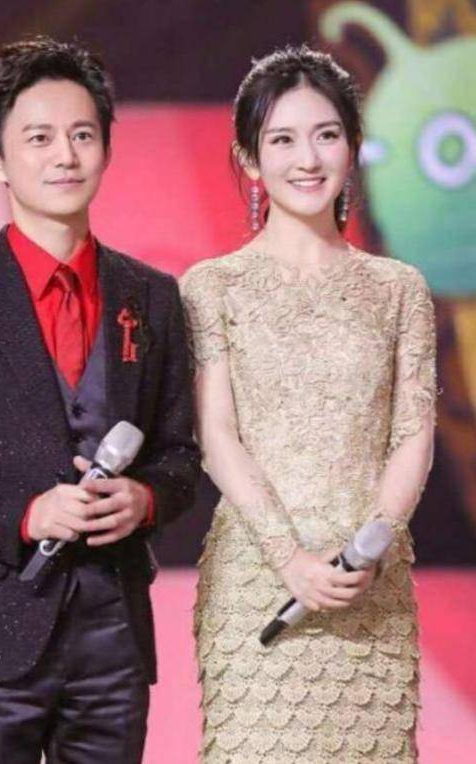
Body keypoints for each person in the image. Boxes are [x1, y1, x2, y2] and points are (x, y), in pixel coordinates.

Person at [0, 37, 199, 764]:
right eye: (39, 138)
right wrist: (25, 513)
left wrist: (145, 500)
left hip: (113, 634)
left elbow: (180, 453)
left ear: (106, 149)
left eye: (83, 135)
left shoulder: (152, 296)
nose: (65, 156)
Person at [180, 45, 436, 763]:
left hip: (370, 587)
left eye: (326, 135)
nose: (308, 158)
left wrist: (372, 543)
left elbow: (413, 433)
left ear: (353, 147)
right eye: (283, 139)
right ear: (250, 159)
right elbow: (216, 434)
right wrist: (288, 557)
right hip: (257, 580)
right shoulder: (212, 286)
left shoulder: (399, 288)